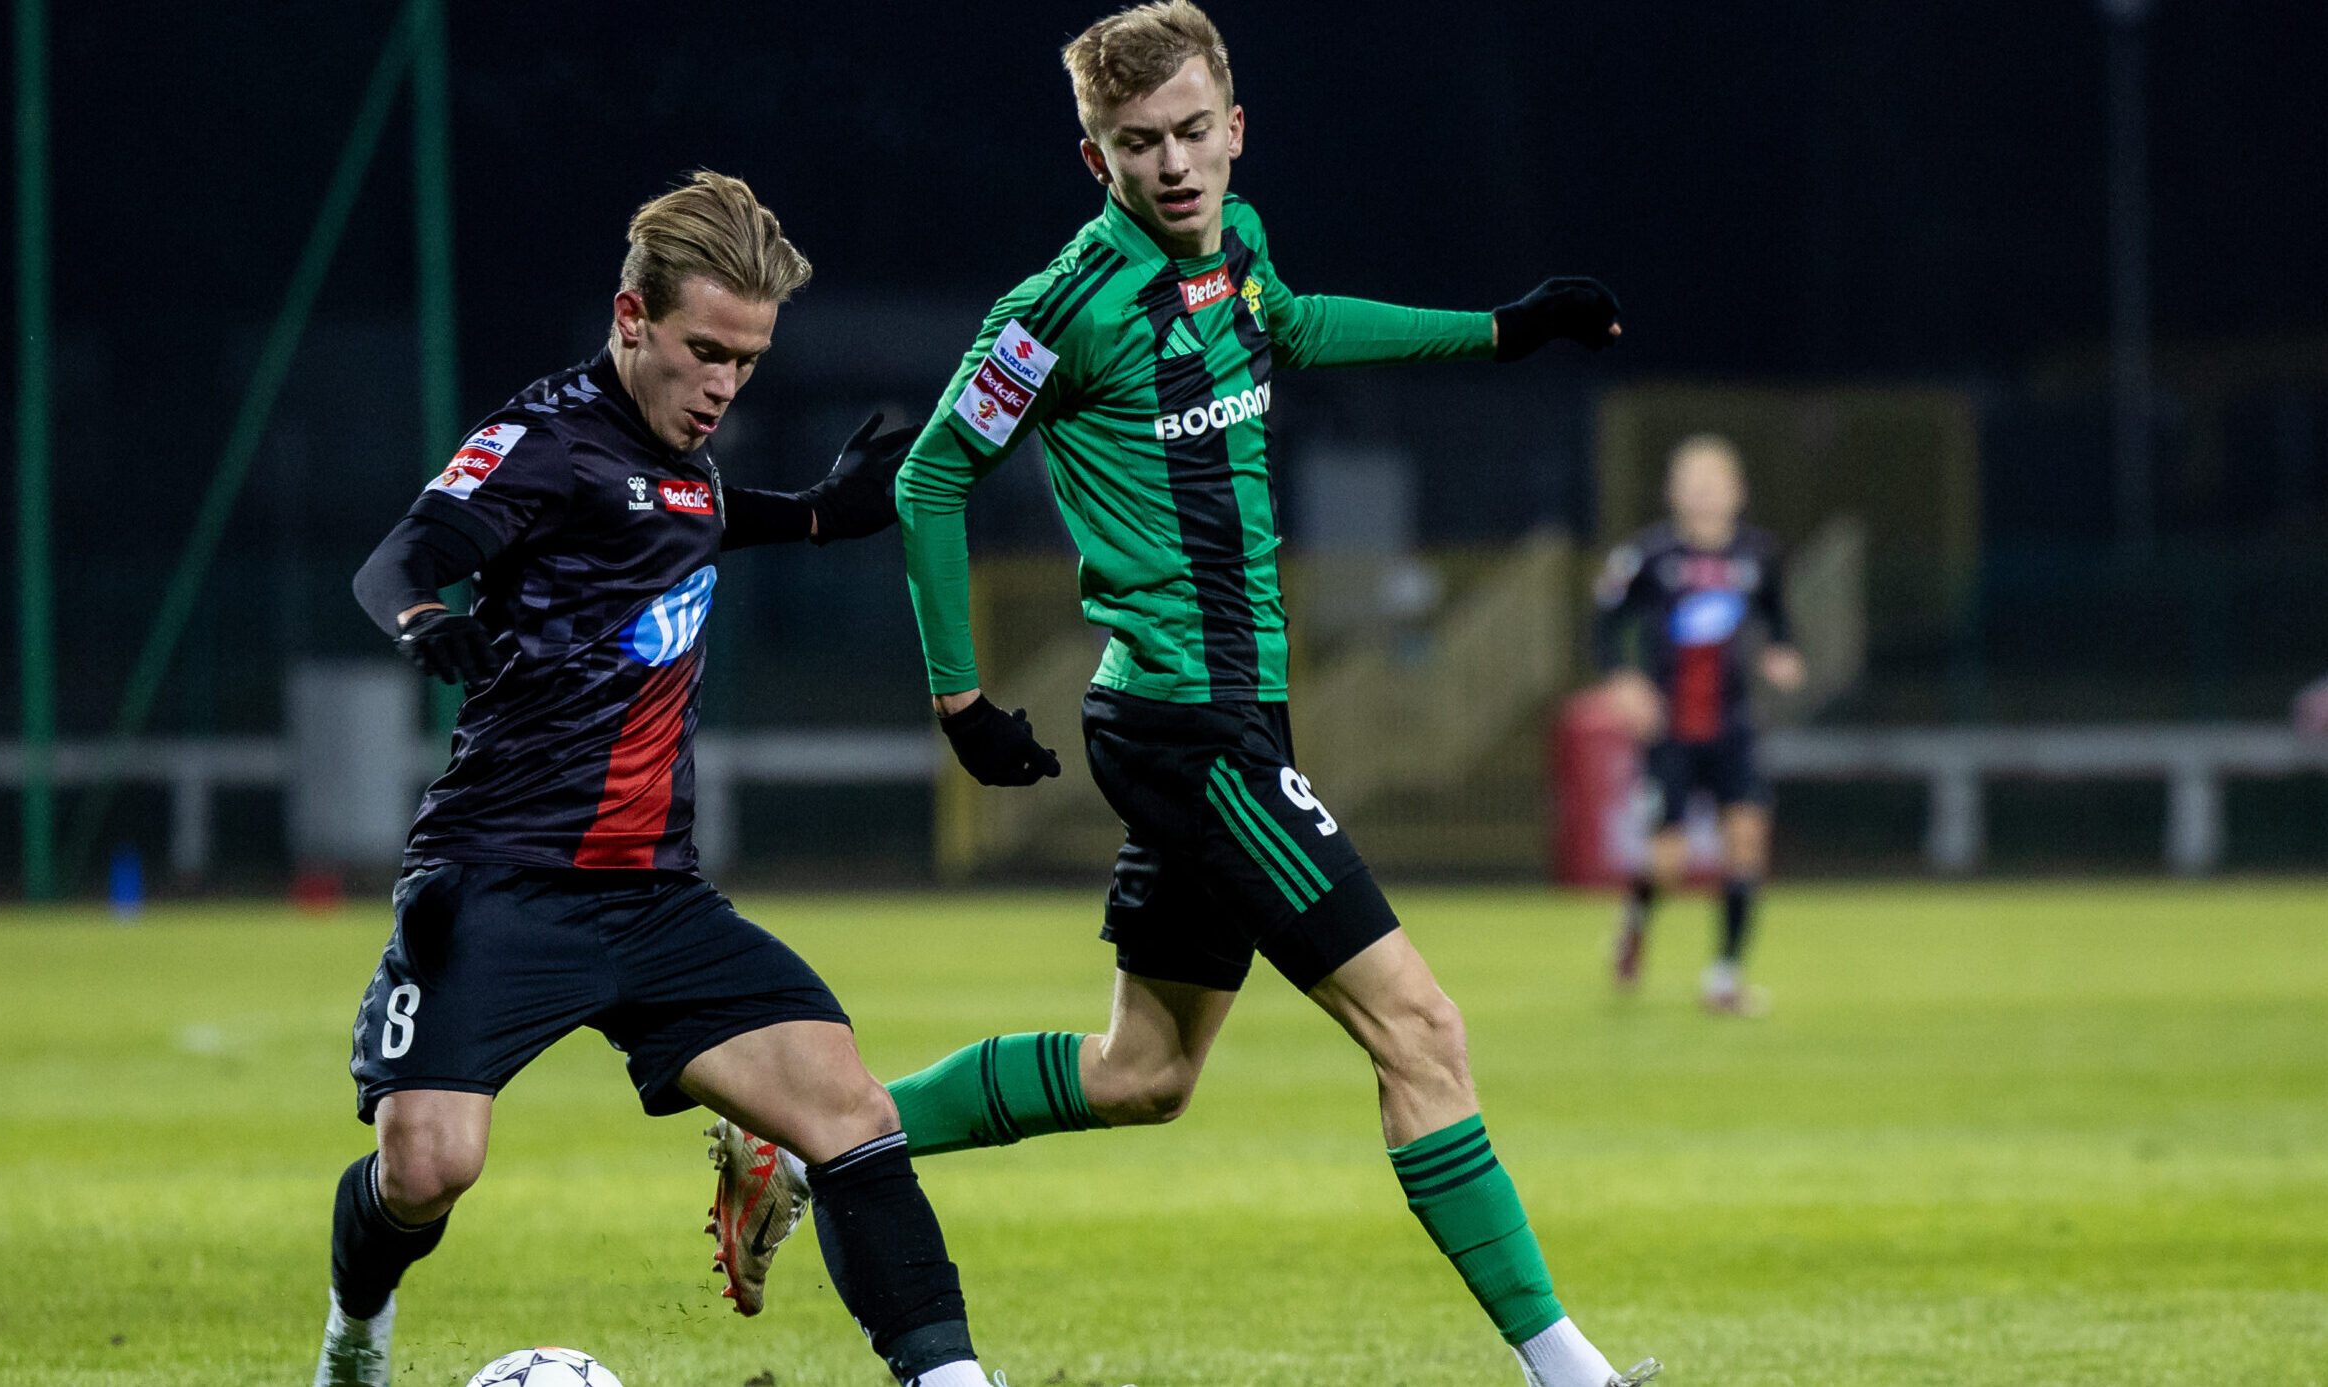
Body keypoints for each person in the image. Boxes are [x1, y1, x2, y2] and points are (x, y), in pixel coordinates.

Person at [704, 8, 1656, 1386]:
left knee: (1140, 1072)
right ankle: (1570, 1371)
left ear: (1234, 130)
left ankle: (804, 1141)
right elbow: (930, 476)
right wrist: (960, 698)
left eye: (1192, 132)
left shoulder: (1239, 249)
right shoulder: (1058, 310)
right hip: (1183, 726)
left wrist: (1505, 329)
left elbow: (1295, 324)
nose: (1172, 164)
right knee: (1421, 1029)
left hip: (1234, 715)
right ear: (1093, 157)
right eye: (1137, 142)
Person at [314, 172, 1001, 1387]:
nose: (726, 385)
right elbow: (402, 556)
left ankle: (953, 1382)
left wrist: (821, 515)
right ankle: (353, 1340)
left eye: (748, 360)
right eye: (705, 352)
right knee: (427, 1168)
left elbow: (687, 512)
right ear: (631, 318)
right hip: (500, 879)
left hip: (655, 896)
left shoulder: (678, 461)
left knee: (852, 1112)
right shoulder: (544, 441)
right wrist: (425, 617)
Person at [1591, 433, 1803, 1013]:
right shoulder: (1649, 556)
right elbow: (1605, 624)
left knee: (1747, 840)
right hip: (1670, 728)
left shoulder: (1758, 555)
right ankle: (1636, 919)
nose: (1706, 494)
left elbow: (1779, 618)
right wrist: (1623, 679)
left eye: (1716, 483)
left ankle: (1725, 977)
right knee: (1669, 861)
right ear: (1674, 493)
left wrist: (1782, 652)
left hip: (1734, 724)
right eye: (1694, 484)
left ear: (1738, 492)